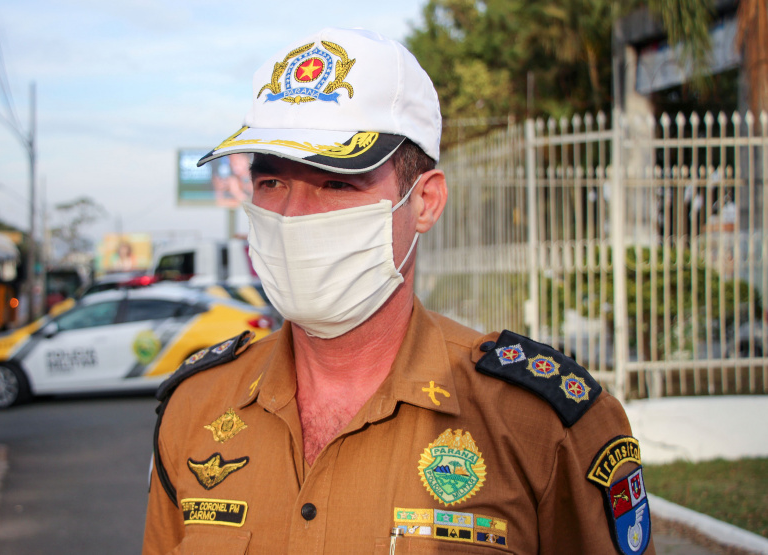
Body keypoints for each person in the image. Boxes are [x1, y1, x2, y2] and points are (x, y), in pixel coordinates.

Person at [143, 28, 655, 555]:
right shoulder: (196, 409)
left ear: (425, 202)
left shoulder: (536, 425)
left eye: (337, 183)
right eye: (271, 183)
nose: (291, 216)